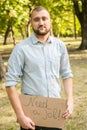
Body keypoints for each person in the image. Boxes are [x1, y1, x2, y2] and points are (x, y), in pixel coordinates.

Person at [5, 6, 73, 130]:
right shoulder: (21, 49)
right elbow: (10, 84)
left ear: (50, 20)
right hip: (31, 117)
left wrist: (70, 99)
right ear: (31, 23)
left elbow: (66, 74)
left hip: (55, 113)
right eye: (36, 19)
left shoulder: (60, 46)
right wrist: (20, 115)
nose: (41, 23)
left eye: (44, 18)